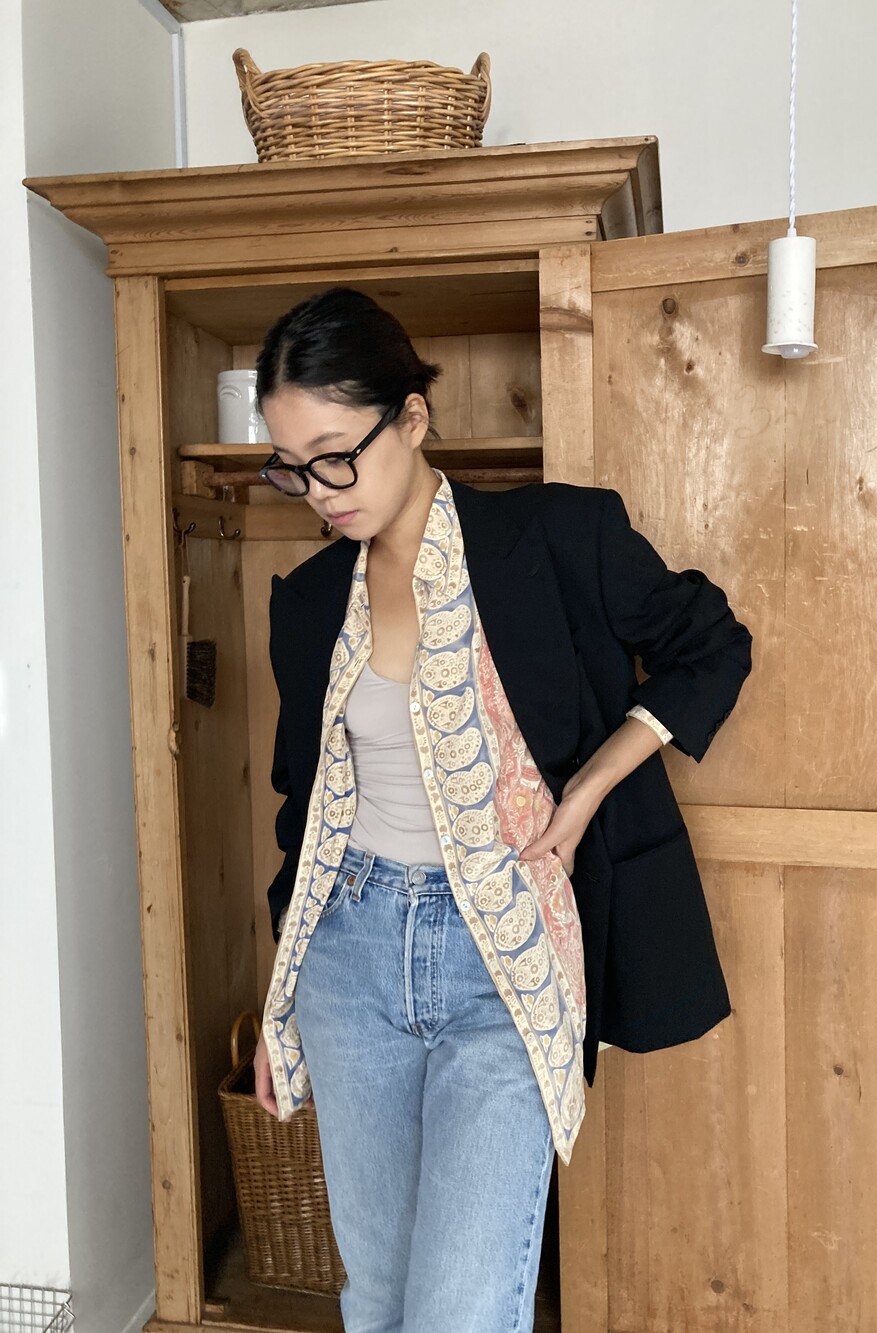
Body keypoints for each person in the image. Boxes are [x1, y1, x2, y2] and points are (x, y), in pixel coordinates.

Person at [251, 287, 752, 1333]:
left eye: (336, 456)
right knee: (379, 1299)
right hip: (347, 955)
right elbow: (306, 808)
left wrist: (594, 780)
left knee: (462, 1309)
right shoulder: (309, 600)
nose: (320, 493)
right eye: (291, 467)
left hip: (501, 955)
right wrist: (282, 991)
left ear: (413, 417)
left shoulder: (557, 535)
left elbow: (712, 643)